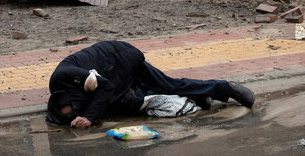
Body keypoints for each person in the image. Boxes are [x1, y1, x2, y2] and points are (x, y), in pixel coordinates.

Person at [46, 40, 255, 128]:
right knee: (149, 91)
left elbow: (106, 87)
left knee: (165, 86)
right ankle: (199, 96)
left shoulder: (65, 75)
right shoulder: (62, 93)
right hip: (111, 67)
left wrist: (90, 117)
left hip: (120, 57)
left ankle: (226, 87)